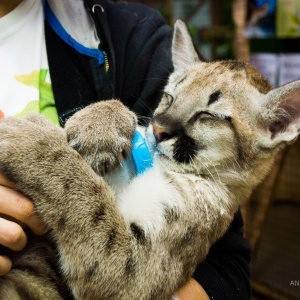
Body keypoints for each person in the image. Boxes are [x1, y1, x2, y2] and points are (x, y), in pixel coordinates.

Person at [0, 0, 252, 299]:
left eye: (209, 116)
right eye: (169, 98)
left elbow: (227, 272)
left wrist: (46, 157)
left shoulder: (130, 35)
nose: (158, 127)